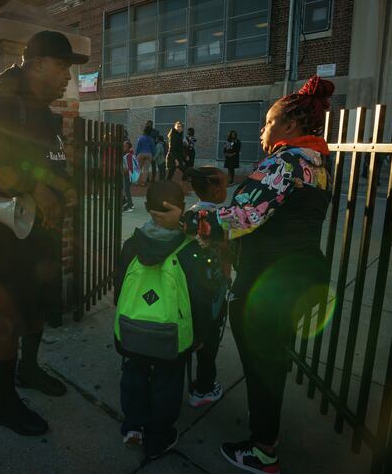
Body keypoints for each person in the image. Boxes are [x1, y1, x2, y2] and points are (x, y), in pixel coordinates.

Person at [153, 76, 334, 474]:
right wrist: (236, 184)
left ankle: (263, 451)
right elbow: (278, 206)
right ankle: (268, 435)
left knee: (262, 368)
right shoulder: (316, 162)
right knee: (273, 361)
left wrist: (185, 219)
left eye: (268, 122)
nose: (264, 130)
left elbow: (243, 216)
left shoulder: (285, 161)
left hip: (268, 283)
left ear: (288, 125)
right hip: (298, 276)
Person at [0, 30, 87, 436]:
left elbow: (50, 163)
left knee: (36, 307)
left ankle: (28, 371)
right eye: (62, 66)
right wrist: (30, 186)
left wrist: (64, 186)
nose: (67, 76)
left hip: (39, 236)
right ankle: (4, 399)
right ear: (37, 63)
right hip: (3, 237)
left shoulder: (45, 114)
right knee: (6, 317)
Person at [113, 180, 214, 460]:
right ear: (180, 210)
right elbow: (201, 300)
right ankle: (159, 437)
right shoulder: (189, 251)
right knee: (167, 383)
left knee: (133, 374)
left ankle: (133, 426)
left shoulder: (133, 244)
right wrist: (201, 335)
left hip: (132, 329)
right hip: (172, 334)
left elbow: (119, 285)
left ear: (146, 209)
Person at [184, 167, 230, 409]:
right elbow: (227, 257)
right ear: (215, 190)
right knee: (210, 338)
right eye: (224, 185)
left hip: (188, 288)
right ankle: (204, 388)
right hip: (213, 290)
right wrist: (227, 279)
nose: (226, 189)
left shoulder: (188, 216)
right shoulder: (223, 219)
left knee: (189, 330)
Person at [122, 140, 138, 213]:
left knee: (126, 190)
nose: (123, 148)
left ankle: (130, 206)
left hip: (128, 176)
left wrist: (126, 172)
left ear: (128, 147)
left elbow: (130, 168)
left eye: (125, 146)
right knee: (126, 190)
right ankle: (129, 204)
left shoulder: (128, 155)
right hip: (129, 175)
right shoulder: (131, 154)